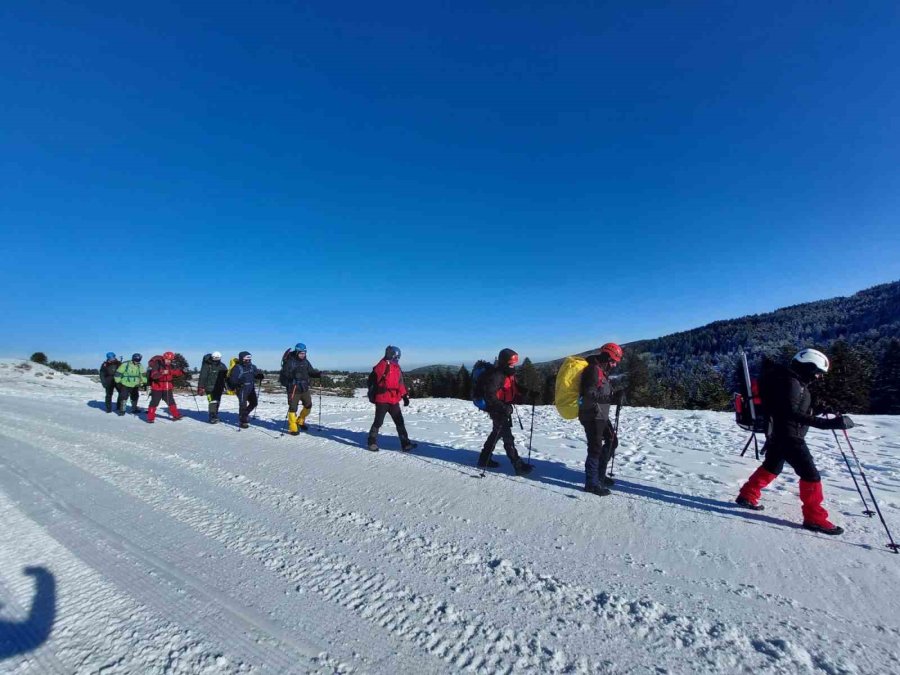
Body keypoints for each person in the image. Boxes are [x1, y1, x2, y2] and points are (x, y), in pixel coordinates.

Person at [735, 348, 854, 535]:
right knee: (811, 475)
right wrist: (827, 424)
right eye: (817, 372)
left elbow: (792, 407)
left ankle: (747, 495)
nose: (818, 377)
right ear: (808, 367)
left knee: (772, 466)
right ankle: (814, 518)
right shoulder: (791, 382)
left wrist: (819, 409)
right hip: (789, 436)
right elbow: (789, 413)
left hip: (778, 433)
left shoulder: (789, 380)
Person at [476, 348, 533, 475]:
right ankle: (518, 466)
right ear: (504, 362)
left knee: (496, 433)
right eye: (511, 362)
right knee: (508, 438)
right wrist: (502, 407)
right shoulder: (497, 375)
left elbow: (514, 387)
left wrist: (528, 393)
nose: (513, 365)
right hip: (497, 409)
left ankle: (484, 458)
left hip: (503, 408)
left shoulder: (508, 373)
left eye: (514, 362)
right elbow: (490, 395)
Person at [578, 343, 625, 496]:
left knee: (612, 441)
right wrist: (611, 397)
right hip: (591, 413)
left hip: (600, 412)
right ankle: (591, 483)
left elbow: (601, 391)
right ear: (606, 356)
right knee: (595, 447)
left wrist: (616, 394)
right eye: (613, 360)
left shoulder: (601, 369)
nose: (615, 364)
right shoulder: (593, 370)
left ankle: (599, 475)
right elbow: (589, 392)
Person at [367, 346, 416, 452]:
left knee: (400, 422)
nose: (397, 359)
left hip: (394, 399)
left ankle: (405, 444)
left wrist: (404, 396)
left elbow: (400, 384)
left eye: (398, 357)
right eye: (396, 356)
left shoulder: (397, 367)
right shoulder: (382, 365)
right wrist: (386, 357)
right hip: (382, 399)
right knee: (378, 422)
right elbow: (377, 371)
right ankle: (371, 442)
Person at [281, 343, 322, 434]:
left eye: (304, 353)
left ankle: (300, 420)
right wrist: (293, 375)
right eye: (301, 353)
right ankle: (293, 427)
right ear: (296, 352)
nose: (302, 355)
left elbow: (310, 371)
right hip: (293, 388)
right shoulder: (289, 361)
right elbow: (285, 374)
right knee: (292, 408)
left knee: (308, 405)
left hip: (304, 388)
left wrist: (317, 374)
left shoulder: (305, 362)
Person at [227, 351, 265, 428]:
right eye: (246, 359)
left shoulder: (252, 366)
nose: (248, 360)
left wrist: (259, 376)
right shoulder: (237, 368)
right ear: (242, 359)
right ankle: (243, 421)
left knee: (254, 403)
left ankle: (244, 415)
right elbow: (232, 380)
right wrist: (238, 383)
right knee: (243, 405)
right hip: (241, 389)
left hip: (251, 388)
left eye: (249, 359)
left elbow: (256, 373)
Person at [146, 351, 184, 423]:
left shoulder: (169, 365)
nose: (169, 361)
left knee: (171, 401)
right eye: (167, 359)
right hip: (157, 387)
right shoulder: (157, 364)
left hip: (167, 386)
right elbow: (154, 376)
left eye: (170, 360)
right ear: (164, 358)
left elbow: (173, 372)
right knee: (154, 402)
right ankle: (150, 418)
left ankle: (176, 415)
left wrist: (181, 372)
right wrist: (162, 373)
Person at [197, 351, 228, 424]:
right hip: (209, 388)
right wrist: (200, 387)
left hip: (219, 387)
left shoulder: (222, 365)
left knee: (217, 401)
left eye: (218, 358)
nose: (216, 360)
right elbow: (203, 377)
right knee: (212, 401)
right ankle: (212, 416)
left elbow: (226, 376)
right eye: (215, 358)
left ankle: (215, 415)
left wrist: (227, 386)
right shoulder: (207, 365)